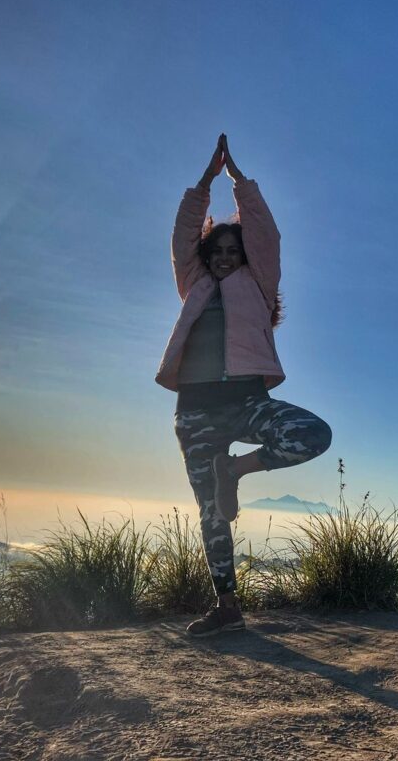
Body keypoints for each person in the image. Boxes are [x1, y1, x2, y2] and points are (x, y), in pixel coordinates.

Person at [157, 134, 333, 637]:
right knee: (209, 511)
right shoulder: (193, 283)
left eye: (235, 251)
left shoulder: (259, 283)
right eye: (218, 251)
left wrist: (239, 182)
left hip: (247, 403)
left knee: (312, 433)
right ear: (207, 255)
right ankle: (227, 605)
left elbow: (265, 234)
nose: (226, 257)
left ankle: (234, 469)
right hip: (194, 411)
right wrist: (205, 183)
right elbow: (181, 236)